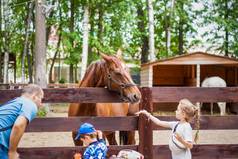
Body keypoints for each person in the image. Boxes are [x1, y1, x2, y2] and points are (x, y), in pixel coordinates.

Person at [0, 84, 44, 159]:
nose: (41, 103)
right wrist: (12, 152)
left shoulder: (14, 102)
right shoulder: (30, 104)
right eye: (41, 99)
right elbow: (19, 125)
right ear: (35, 96)